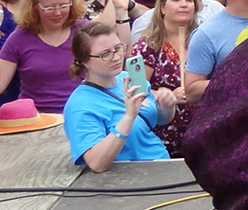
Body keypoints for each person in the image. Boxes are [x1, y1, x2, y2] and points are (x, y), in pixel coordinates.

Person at [0, 0, 130, 113]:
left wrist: (121, 13)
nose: (58, 13)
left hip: (83, 111)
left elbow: (122, 54)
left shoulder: (83, 31)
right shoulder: (20, 37)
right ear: (35, 5)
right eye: (50, 8)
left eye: (63, 6)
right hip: (38, 119)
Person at [63, 20, 177, 171]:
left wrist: (167, 106)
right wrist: (128, 117)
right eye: (105, 54)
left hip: (162, 166)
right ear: (85, 61)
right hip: (127, 179)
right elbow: (96, 163)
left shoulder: (128, 79)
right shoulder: (80, 106)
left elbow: (159, 120)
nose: (116, 57)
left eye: (118, 48)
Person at [127, 0, 201, 155]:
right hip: (165, 132)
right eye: (176, 0)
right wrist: (167, 95)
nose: (184, 4)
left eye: (189, 0)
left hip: (199, 129)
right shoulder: (147, 45)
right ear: (162, 8)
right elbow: (136, 88)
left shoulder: (202, 40)